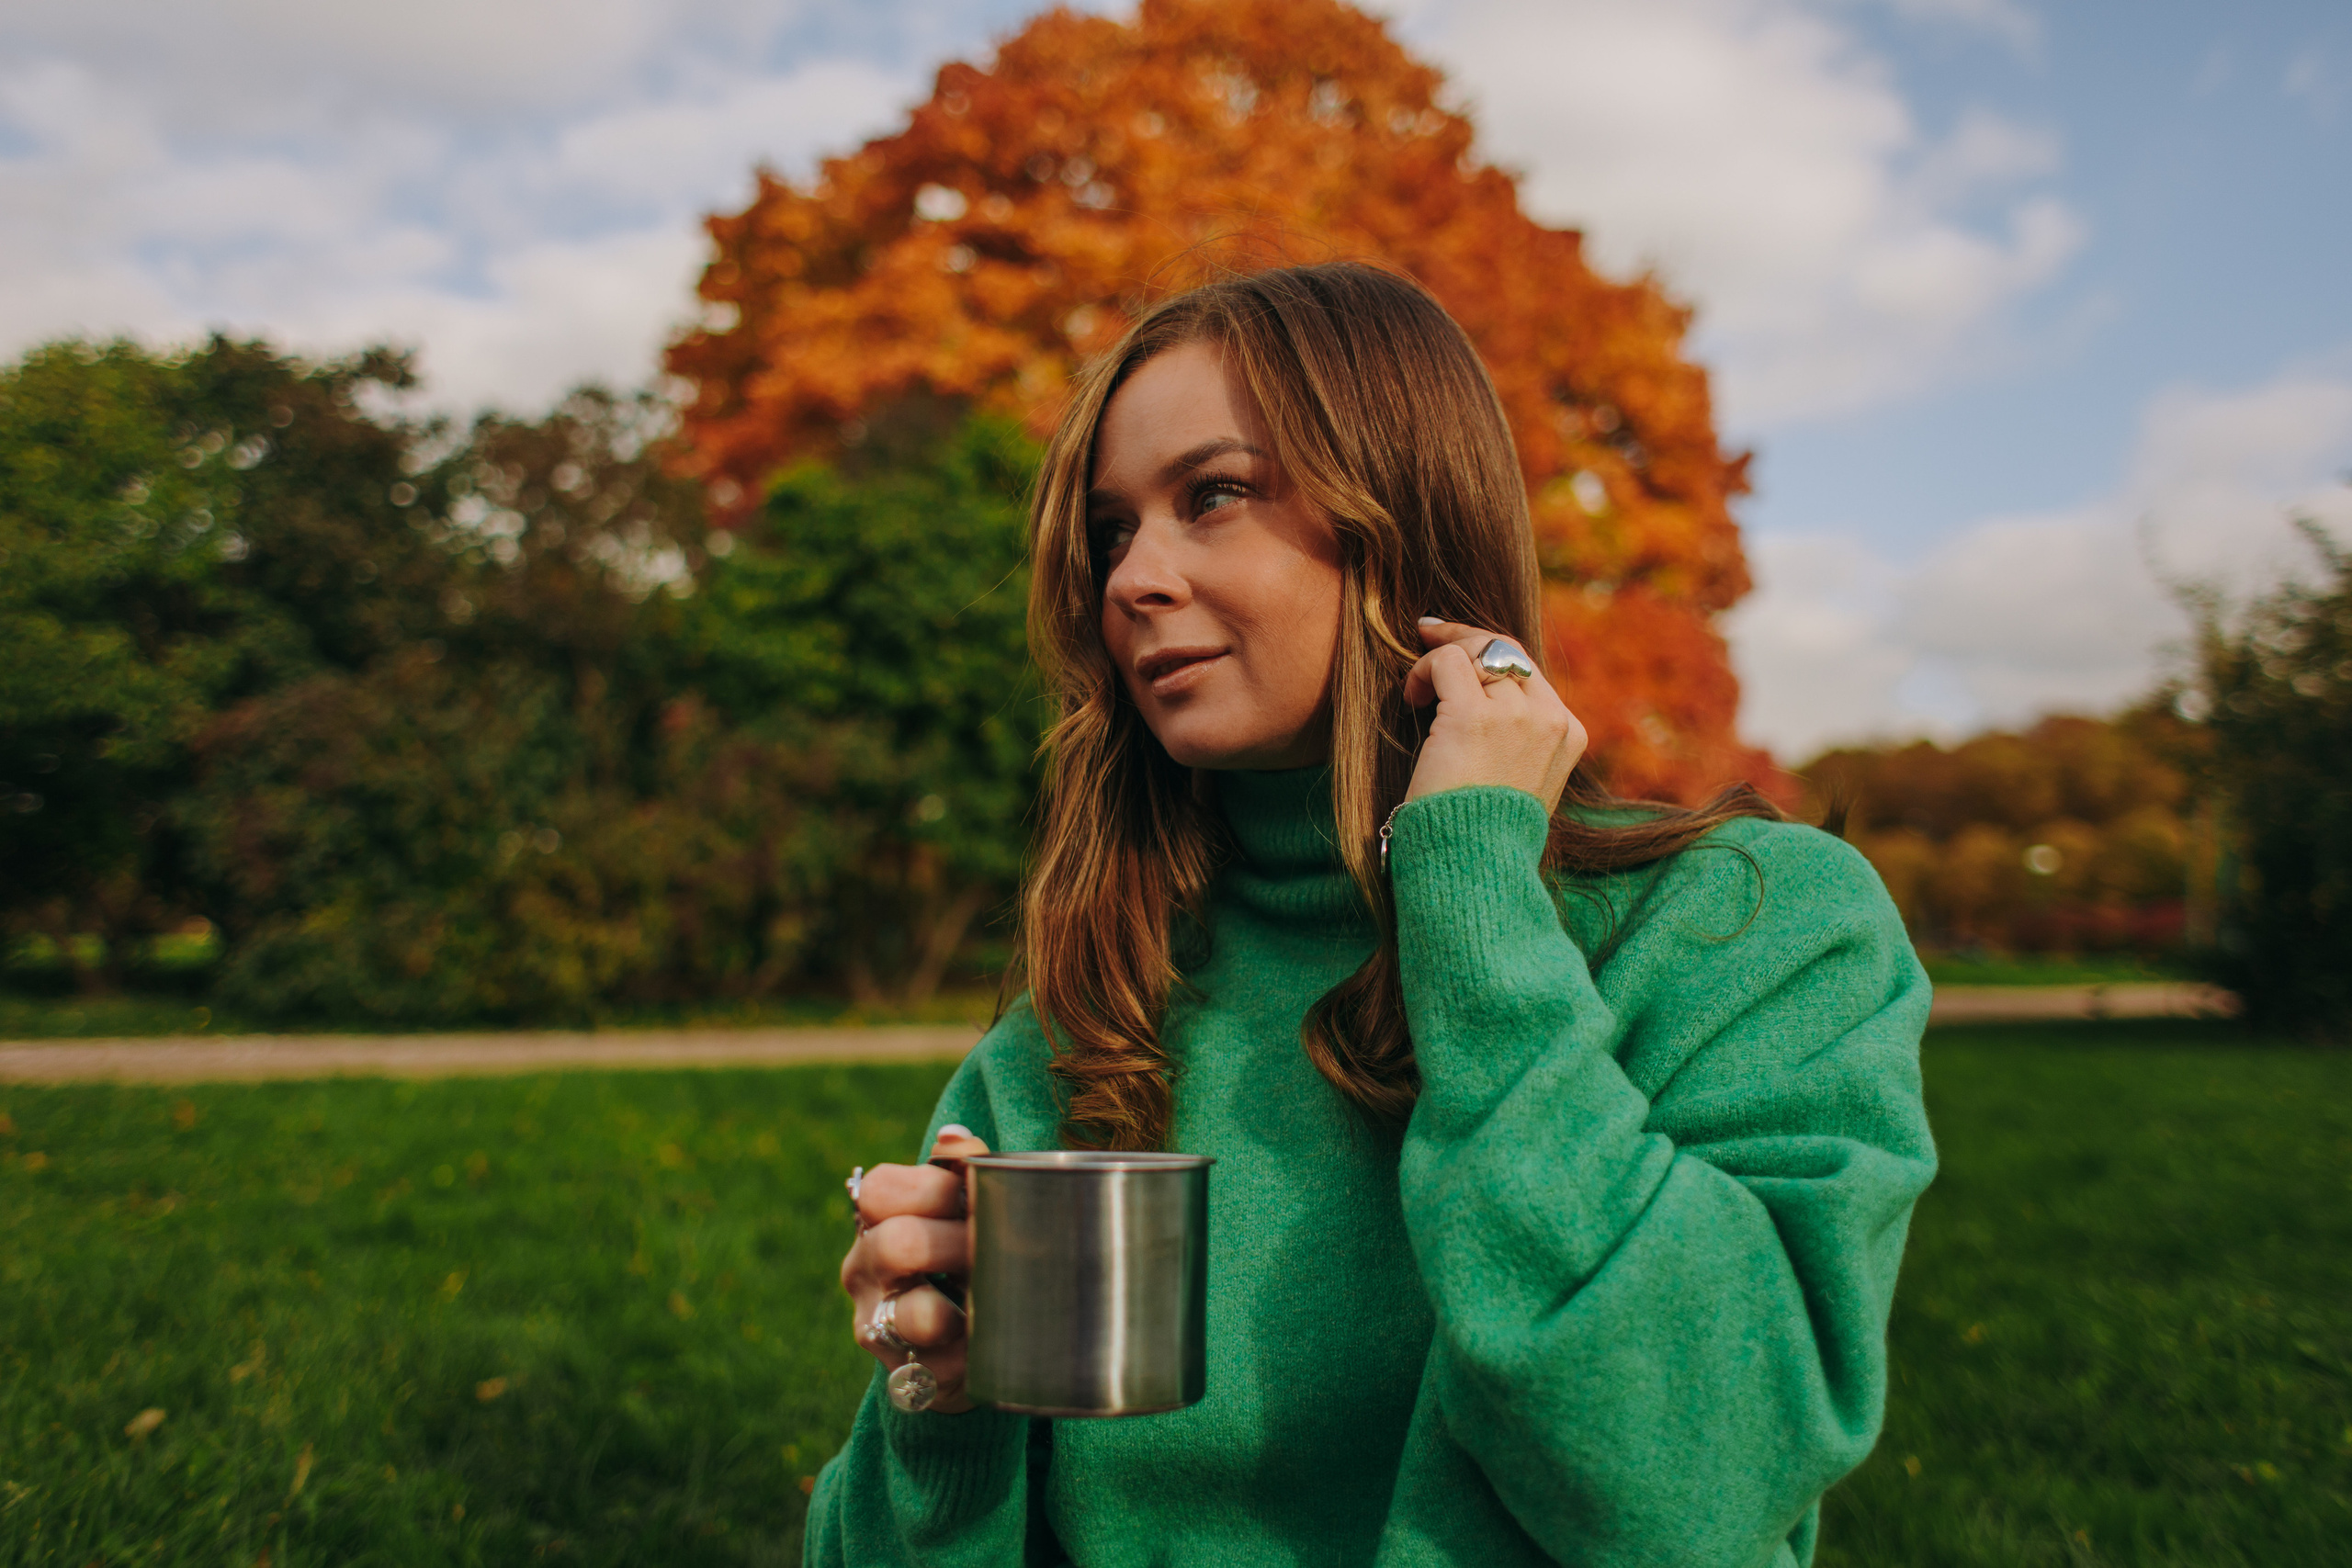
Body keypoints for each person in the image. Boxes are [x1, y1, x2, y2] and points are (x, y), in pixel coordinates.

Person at [807, 262, 1936, 1567]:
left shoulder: (1748, 928)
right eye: (1112, 531)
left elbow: (1699, 1483)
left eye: (1212, 496)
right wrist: (944, 1416)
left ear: (1399, 514)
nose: (1133, 579)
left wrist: (1470, 890)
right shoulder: (1087, 1022)